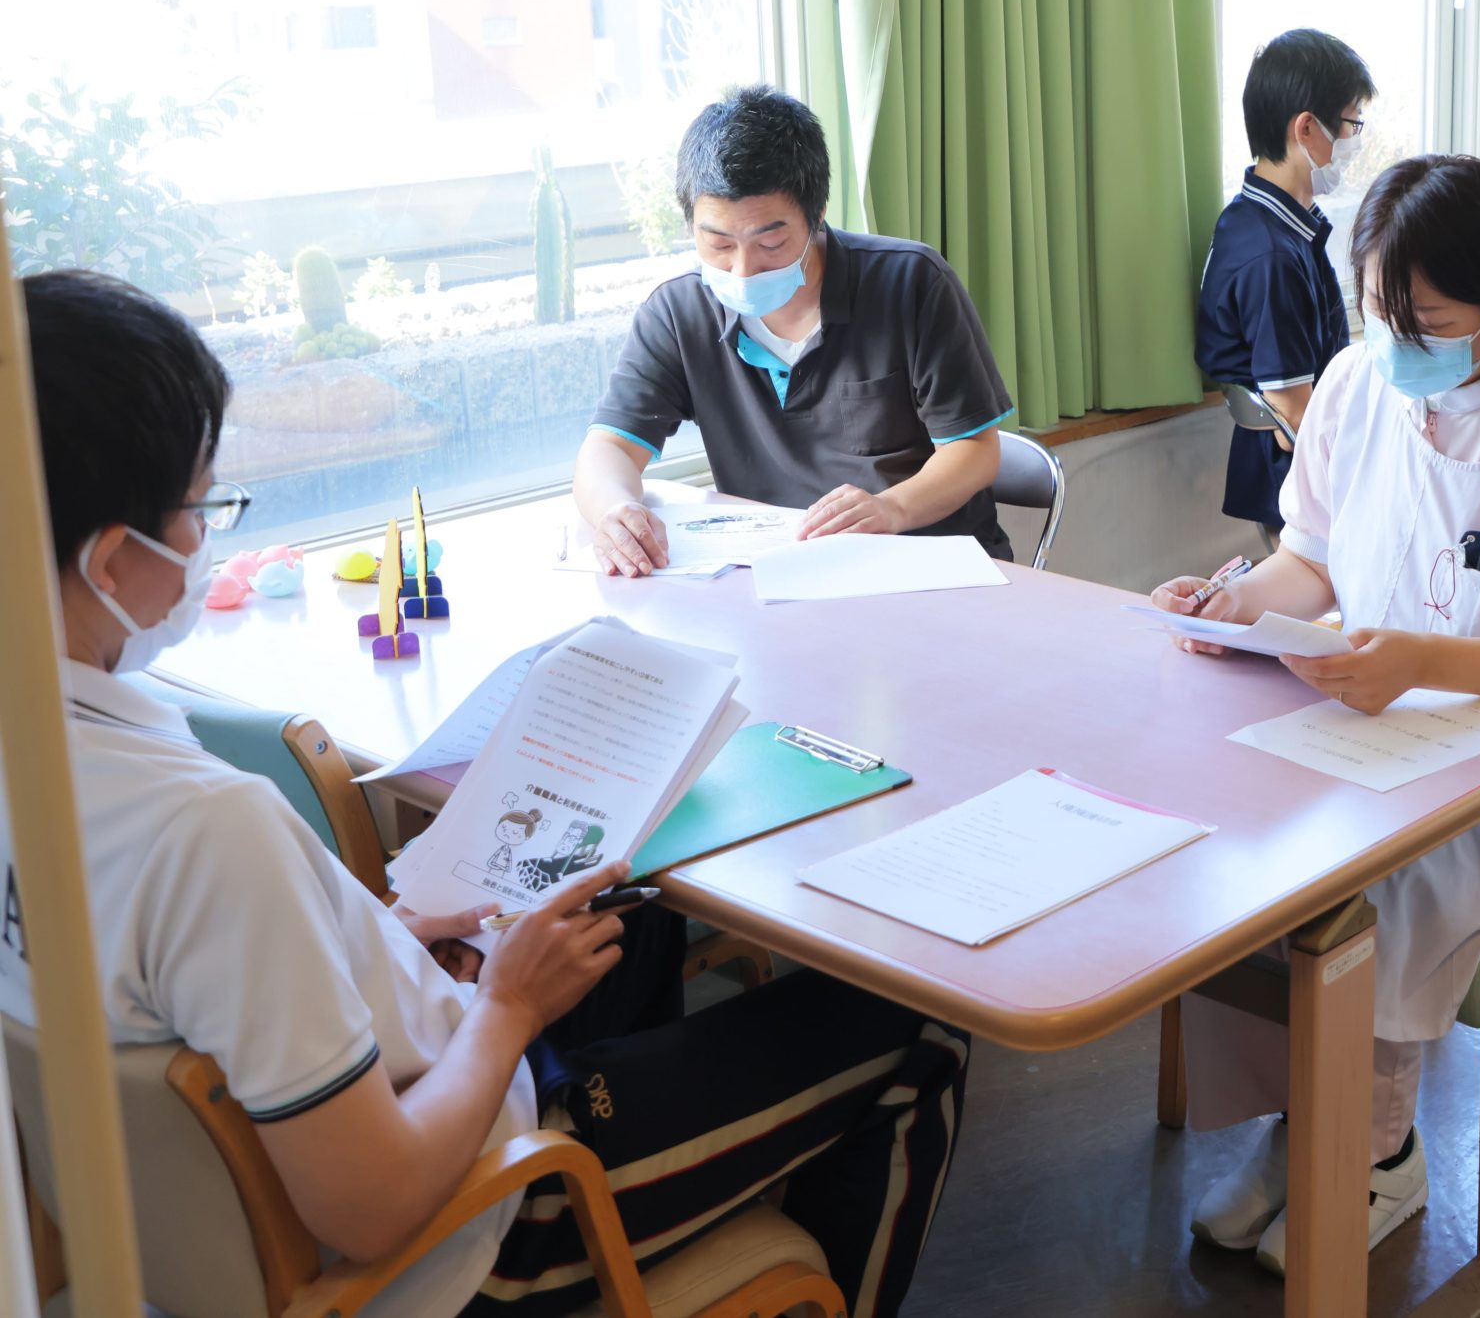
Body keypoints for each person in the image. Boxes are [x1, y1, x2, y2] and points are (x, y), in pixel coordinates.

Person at [4, 269, 969, 1317]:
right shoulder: (204, 829)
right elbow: (370, 1209)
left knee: (620, 916)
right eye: (198, 509)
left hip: (210, 1230)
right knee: (913, 1030)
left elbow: (185, 985)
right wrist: (504, 1009)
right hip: (478, 1228)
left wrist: (376, 937)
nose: (207, 541)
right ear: (109, 561)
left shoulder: (56, 776)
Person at [1150, 155, 1480, 1274]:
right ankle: (1300, 1125)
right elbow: (1310, 559)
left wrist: (1431, 659)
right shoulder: (1354, 386)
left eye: (1425, 319)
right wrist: (1233, 605)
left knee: (1375, 881)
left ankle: (1375, 1154)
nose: (1397, 343)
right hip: (1366, 728)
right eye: (1380, 312)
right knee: (1233, 842)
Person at [575, 85, 1016, 575]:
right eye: (718, 243)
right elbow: (611, 446)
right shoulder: (679, 314)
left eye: (772, 242)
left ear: (817, 214)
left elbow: (975, 451)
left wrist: (891, 508)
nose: (744, 270)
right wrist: (614, 511)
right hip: (780, 573)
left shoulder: (910, 283)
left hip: (926, 566)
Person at [1195, 29, 1373, 535]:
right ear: (1307, 129)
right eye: (1353, 123)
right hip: (1299, 483)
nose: (1356, 141)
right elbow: (1292, 415)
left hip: (1307, 463)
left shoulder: (1264, 219)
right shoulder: (1268, 255)